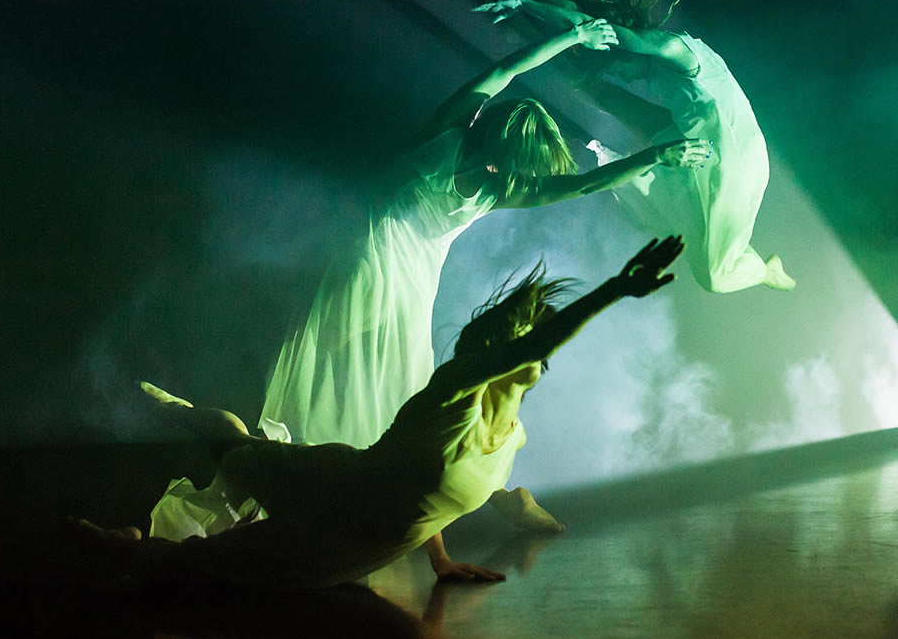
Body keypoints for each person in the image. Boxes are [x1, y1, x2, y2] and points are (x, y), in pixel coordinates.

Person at [150, 23, 710, 541]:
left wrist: (652, 150)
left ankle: (465, 500)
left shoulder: (495, 178)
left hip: (406, 278)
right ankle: (444, 500)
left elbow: (573, 176)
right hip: (367, 268)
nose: (519, 181)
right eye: (518, 167)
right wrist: (573, 38)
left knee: (409, 398)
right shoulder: (454, 138)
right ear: (502, 150)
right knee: (377, 389)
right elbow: (507, 77)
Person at [81, 237, 686, 590]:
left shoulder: (510, 437)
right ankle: (180, 422)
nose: (531, 358)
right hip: (332, 492)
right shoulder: (452, 390)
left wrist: (442, 562)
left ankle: (141, 535)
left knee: (222, 564)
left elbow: (424, 498)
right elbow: (529, 350)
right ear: (496, 358)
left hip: (360, 547)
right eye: (517, 348)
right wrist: (615, 288)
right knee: (230, 471)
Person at [475, 0, 796, 295]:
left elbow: (589, 25)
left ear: (628, 45)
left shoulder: (673, 48)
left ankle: (765, 271)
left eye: (617, 61)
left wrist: (525, 2)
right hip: (693, 133)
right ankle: (520, 29)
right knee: (596, 89)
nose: (620, 72)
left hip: (733, 152)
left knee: (714, 276)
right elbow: (582, 20)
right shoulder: (646, 60)